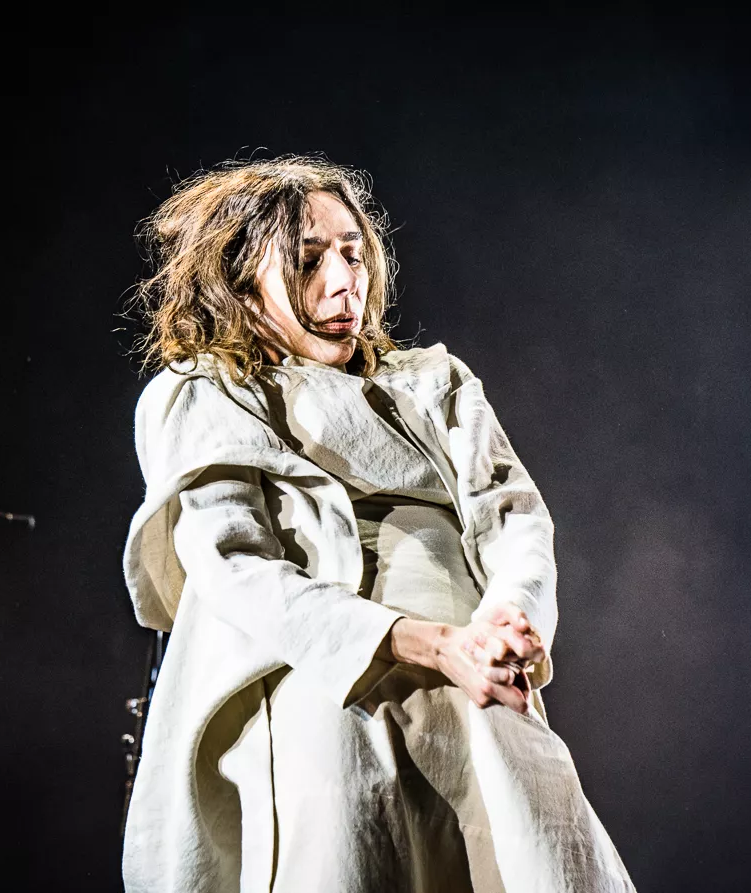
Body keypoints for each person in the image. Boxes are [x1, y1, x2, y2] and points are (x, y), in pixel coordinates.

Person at [121, 156, 636, 893]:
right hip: (328, 672)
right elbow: (236, 566)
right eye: (308, 261)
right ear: (241, 281)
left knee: (534, 848)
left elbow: (515, 516)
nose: (344, 281)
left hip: (475, 670)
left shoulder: (433, 381)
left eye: (353, 253)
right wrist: (426, 643)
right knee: (353, 833)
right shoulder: (208, 392)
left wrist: (506, 619)